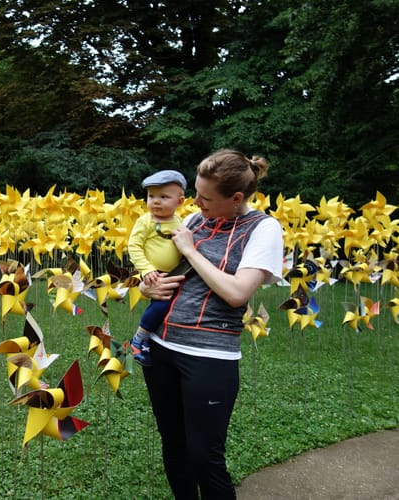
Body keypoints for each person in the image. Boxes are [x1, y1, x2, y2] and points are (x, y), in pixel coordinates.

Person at [138, 149, 283, 499]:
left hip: (209, 356)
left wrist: (190, 251)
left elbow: (237, 293)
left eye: (205, 199)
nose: (196, 204)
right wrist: (147, 285)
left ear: (236, 198)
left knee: (205, 457)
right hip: (162, 346)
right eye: (197, 196)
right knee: (174, 444)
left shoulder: (263, 229)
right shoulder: (193, 221)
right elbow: (170, 273)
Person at [127, 169, 187, 366]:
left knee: (173, 306)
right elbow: (134, 246)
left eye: (163, 196)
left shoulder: (180, 221)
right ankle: (139, 338)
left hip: (177, 273)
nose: (155, 201)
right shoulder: (146, 221)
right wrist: (146, 269)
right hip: (155, 274)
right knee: (162, 303)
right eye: (151, 196)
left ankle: (157, 339)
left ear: (180, 202)